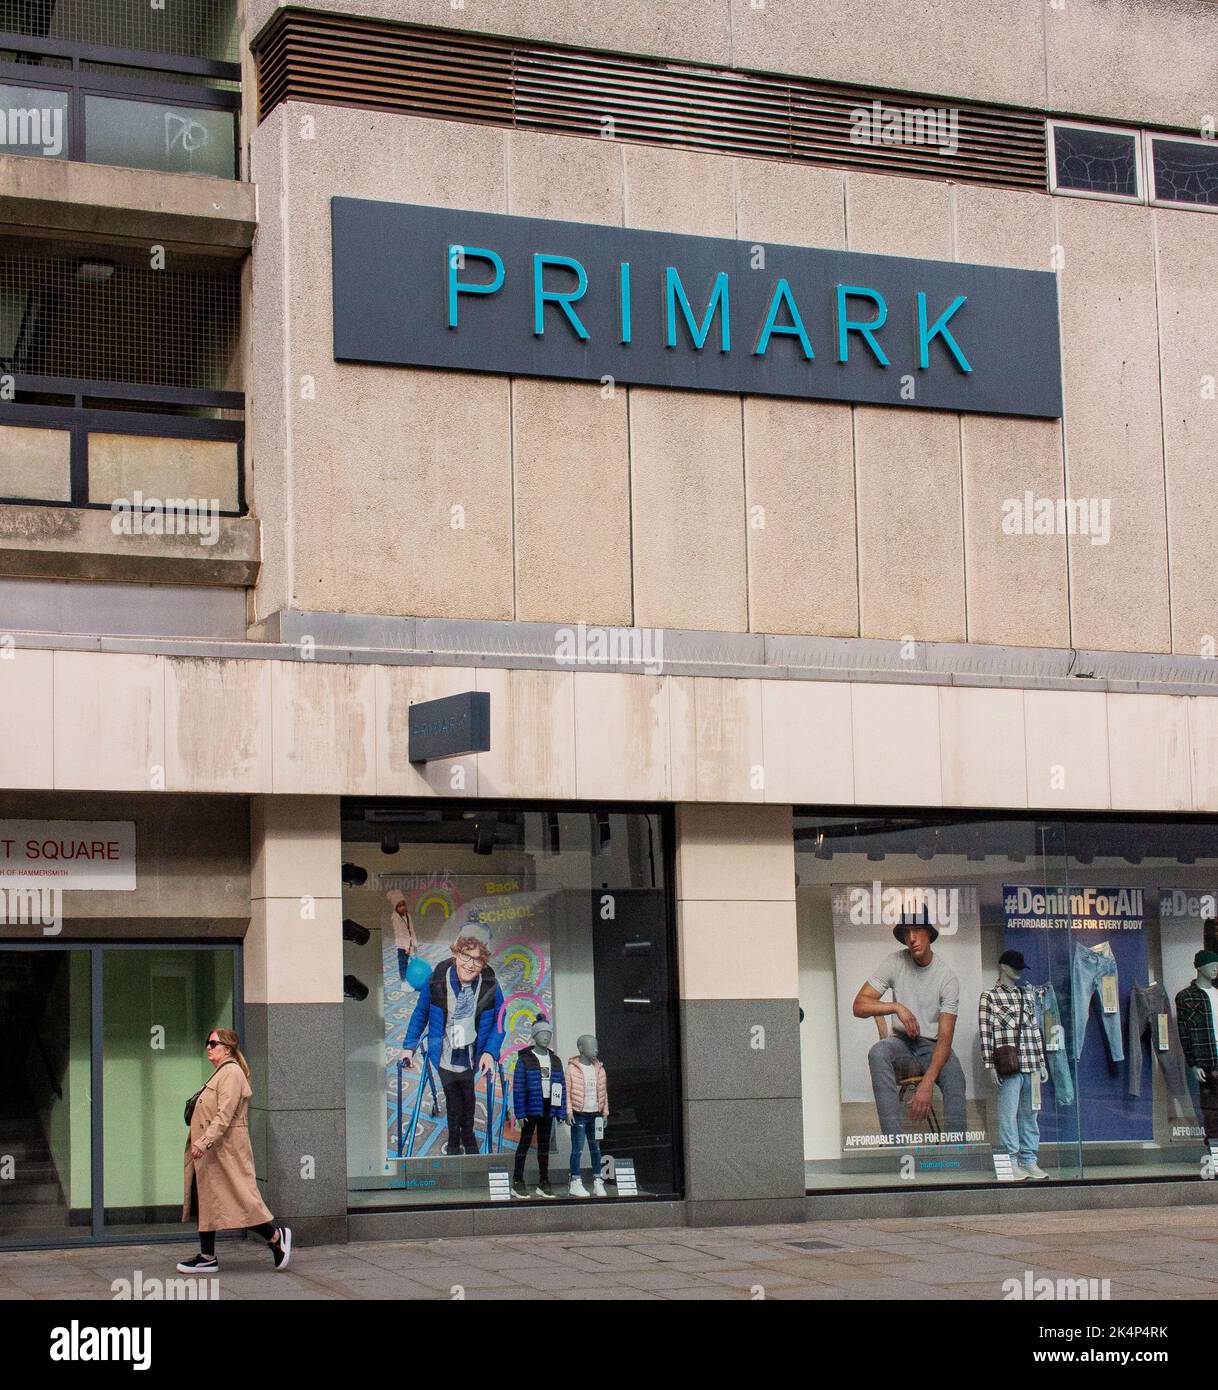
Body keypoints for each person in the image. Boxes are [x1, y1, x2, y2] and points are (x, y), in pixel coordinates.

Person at [178, 1028, 291, 1274]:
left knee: (241, 1199)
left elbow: (224, 1115)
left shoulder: (231, 1073)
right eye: (207, 1042)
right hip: (214, 1151)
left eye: (213, 1043)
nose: (208, 1047)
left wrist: (204, 1141)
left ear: (227, 1048)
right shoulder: (221, 1073)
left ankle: (275, 1237)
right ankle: (207, 1256)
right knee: (205, 1199)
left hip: (224, 1150)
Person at [853, 915, 967, 1139]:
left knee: (955, 1077)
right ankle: (894, 1145)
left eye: (917, 930)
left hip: (934, 1046)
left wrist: (927, 1084)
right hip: (902, 1044)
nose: (912, 938)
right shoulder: (894, 962)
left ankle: (957, 1152)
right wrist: (896, 1007)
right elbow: (858, 1005)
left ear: (929, 934)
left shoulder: (947, 978)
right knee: (878, 1052)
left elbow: (945, 1038)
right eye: (907, 932)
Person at [402, 923, 505, 1155]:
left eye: (477, 959)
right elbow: (421, 1013)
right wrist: (408, 1046)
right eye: (465, 956)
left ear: (484, 961)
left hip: (471, 1054)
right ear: (455, 953)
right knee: (453, 1099)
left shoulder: (490, 983)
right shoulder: (437, 978)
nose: (470, 964)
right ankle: (455, 1139)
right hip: (445, 1052)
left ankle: (468, 1135)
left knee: (468, 1097)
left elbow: (500, 1019)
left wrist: (490, 1051)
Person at [387, 891, 418, 983]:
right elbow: (400, 934)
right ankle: (404, 981)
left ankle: (411, 978)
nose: (402, 907)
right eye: (399, 906)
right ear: (395, 907)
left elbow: (411, 929)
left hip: (410, 943)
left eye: (403, 904)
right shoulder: (396, 919)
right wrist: (406, 948)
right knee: (403, 963)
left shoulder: (408, 915)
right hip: (402, 946)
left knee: (411, 962)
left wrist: (414, 943)